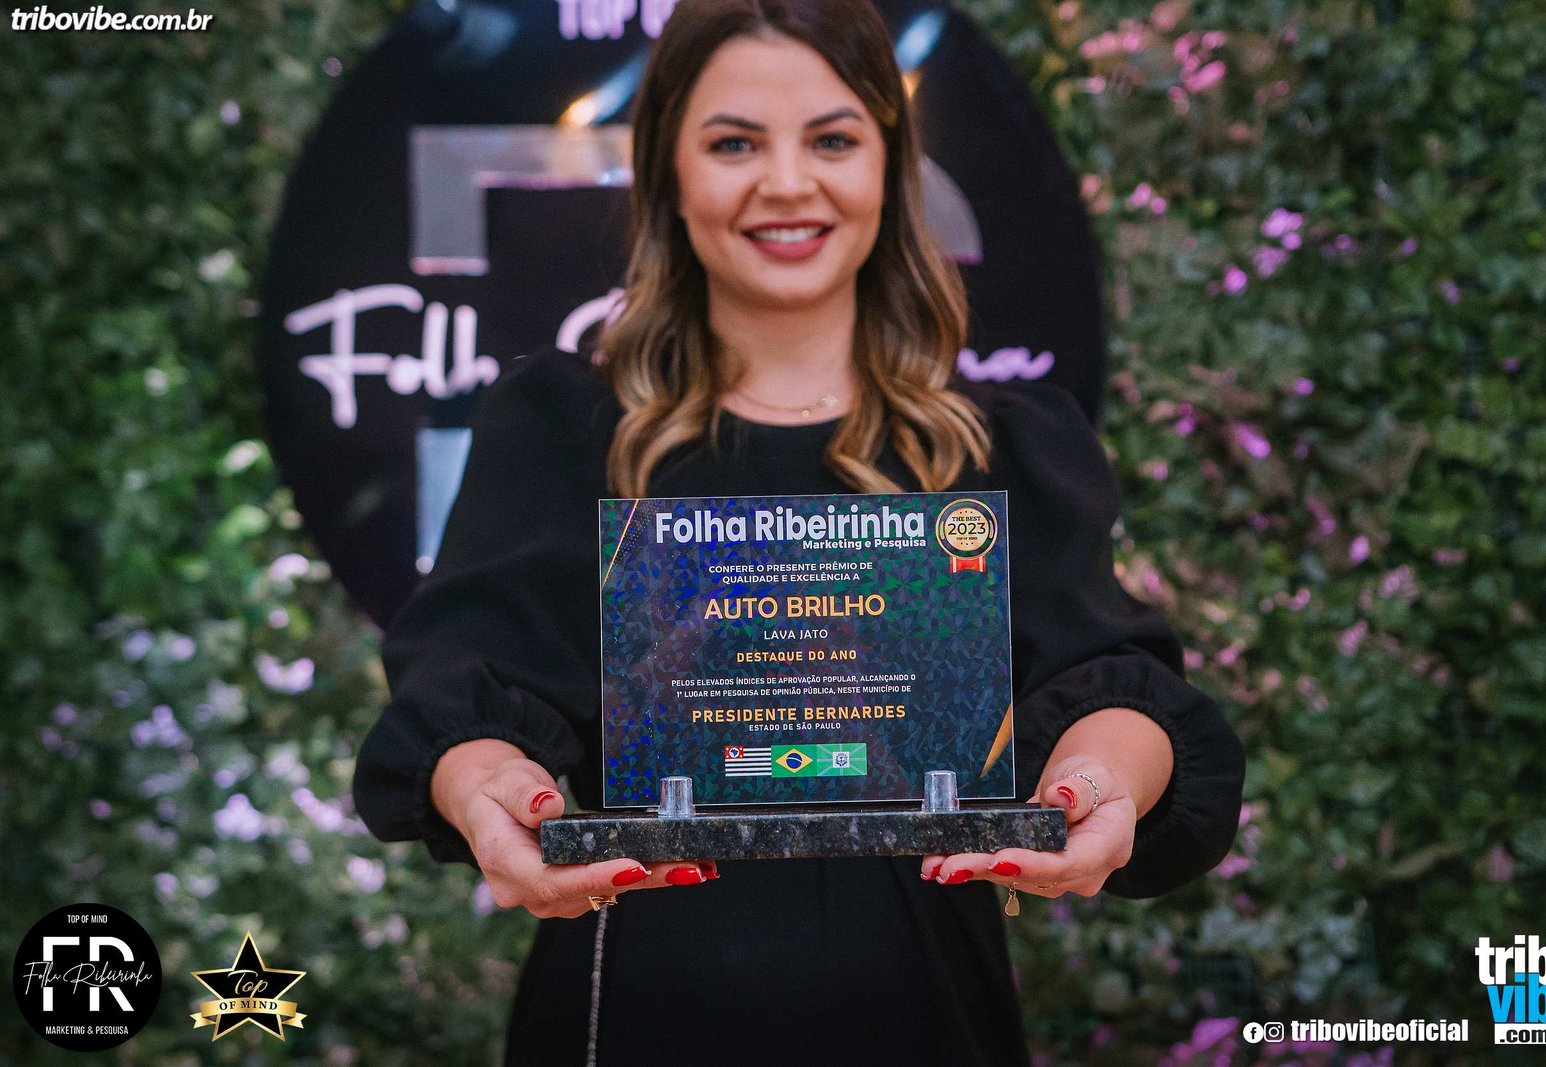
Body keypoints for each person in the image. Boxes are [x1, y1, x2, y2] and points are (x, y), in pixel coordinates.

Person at [352, 0, 1245, 1062]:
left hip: (923, 1008)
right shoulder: (564, 432)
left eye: (831, 139)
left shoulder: (999, 448)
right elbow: (465, 687)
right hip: (634, 1006)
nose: (785, 183)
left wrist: (1096, 786)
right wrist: (485, 785)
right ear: (667, 171)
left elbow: (1107, 683)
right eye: (734, 143)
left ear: (891, 165)